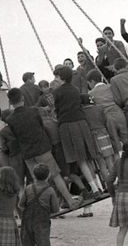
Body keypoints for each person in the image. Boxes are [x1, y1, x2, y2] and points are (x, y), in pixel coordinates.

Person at [6, 88, 80, 208]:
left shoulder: (10, 119)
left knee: (37, 181)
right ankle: (70, 201)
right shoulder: (34, 112)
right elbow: (41, 126)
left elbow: (15, 135)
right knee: (55, 175)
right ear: (23, 98)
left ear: (10, 102)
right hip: (41, 148)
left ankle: (42, 206)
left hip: (27, 152)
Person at [52, 66, 102, 199]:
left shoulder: (57, 93)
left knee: (80, 160)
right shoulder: (75, 89)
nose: (55, 79)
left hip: (68, 125)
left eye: (56, 76)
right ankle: (99, 186)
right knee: (87, 157)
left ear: (61, 77)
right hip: (81, 122)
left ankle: (95, 188)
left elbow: (57, 110)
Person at [87, 69, 128, 159]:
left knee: (116, 143)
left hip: (107, 117)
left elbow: (94, 109)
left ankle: (123, 164)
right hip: (119, 113)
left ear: (92, 82)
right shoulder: (110, 87)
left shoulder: (90, 94)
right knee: (126, 138)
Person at [19, 164, 59, 246]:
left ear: (33, 175)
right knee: (43, 242)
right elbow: (56, 209)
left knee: (26, 243)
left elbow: (20, 205)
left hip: (27, 221)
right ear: (48, 176)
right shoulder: (50, 190)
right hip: (42, 222)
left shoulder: (28, 188)